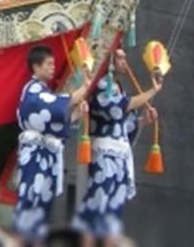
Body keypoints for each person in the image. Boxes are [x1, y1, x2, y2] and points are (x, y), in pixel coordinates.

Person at [73, 50, 163, 245]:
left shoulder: (117, 87)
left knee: (113, 209)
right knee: (98, 203)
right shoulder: (103, 85)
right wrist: (152, 91)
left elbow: (123, 124)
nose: (125, 61)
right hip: (104, 152)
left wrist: (142, 121)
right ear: (111, 60)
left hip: (120, 153)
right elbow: (119, 108)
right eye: (120, 57)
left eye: (124, 57)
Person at [13, 46, 89, 247]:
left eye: (54, 64)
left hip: (46, 153)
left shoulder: (45, 92)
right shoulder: (32, 90)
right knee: (30, 198)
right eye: (49, 64)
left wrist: (76, 115)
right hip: (35, 153)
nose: (53, 67)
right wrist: (82, 90)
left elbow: (57, 123)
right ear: (36, 66)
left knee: (42, 204)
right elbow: (51, 107)